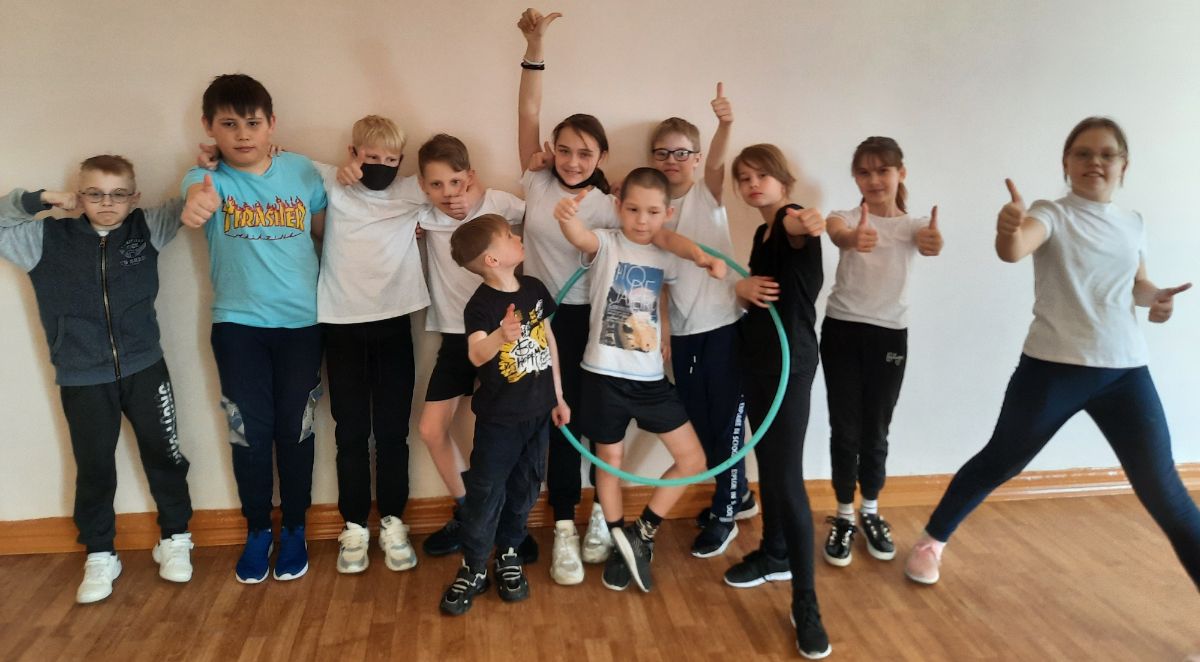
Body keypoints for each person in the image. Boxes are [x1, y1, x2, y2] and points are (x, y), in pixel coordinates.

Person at [904, 117, 1200, 594]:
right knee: (1001, 462)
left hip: (1125, 372)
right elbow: (1014, 249)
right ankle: (932, 541)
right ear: (1066, 163)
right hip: (1052, 369)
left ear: (1124, 164)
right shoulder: (1051, 213)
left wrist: (1156, 298)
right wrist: (1006, 230)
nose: (1094, 162)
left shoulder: (1133, 222)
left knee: (1166, 492)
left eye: (1106, 154)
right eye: (1083, 153)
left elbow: (1137, 284)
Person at [0, 156, 193, 603]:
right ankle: (101, 552)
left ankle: (175, 536)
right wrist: (42, 199)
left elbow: (193, 198)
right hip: (82, 376)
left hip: (145, 368)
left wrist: (209, 164)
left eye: (118, 194)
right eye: (95, 193)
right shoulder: (45, 239)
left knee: (165, 455)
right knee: (94, 467)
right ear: (79, 195)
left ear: (134, 197)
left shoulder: (148, 228)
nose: (107, 203)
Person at [180, 73, 328, 584]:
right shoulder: (205, 179)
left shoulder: (302, 170)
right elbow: (194, 202)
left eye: (252, 123)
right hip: (238, 327)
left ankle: (295, 528)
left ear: (271, 125)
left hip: (303, 325)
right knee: (249, 432)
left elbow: (327, 234)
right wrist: (196, 204)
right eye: (229, 124)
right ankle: (258, 529)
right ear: (209, 127)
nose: (242, 134)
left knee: (296, 428)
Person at [554, 167, 721, 594]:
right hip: (603, 376)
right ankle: (617, 537)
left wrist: (701, 259)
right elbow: (579, 237)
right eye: (632, 210)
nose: (641, 220)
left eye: (652, 212)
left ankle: (641, 533)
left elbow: (666, 273)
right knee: (610, 462)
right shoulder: (607, 243)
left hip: (649, 380)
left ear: (667, 213)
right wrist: (567, 217)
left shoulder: (667, 252)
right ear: (618, 207)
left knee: (693, 459)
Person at [516, 7, 621, 585]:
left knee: (600, 420)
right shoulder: (534, 180)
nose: (573, 161)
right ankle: (561, 524)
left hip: (594, 322)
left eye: (585, 153)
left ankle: (602, 515)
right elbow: (528, 112)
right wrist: (535, 48)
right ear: (551, 150)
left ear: (601, 157)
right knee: (556, 421)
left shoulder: (612, 205)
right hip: (541, 321)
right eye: (564, 150)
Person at [397, 134, 536, 565]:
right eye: (436, 185)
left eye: (456, 182)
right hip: (457, 338)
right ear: (423, 186)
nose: (448, 193)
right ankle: (471, 513)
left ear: (470, 177)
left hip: (505, 335)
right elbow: (378, 198)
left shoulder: (497, 204)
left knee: (507, 437)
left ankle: (511, 525)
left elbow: (539, 211)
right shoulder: (423, 213)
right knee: (430, 429)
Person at [725, 144, 831, 658]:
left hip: (791, 366)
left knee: (787, 479)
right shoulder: (761, 234)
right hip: (758, 361)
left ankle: (806, 603)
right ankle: (774, 553)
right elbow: (756, 293)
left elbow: (801, 226)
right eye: (744, 178)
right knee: (768, 464)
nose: (752, 184)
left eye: (761, 176)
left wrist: (808, 220)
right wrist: (741, 289)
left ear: (784, 183)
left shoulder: (789, 220)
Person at [819, 137, 943, 567]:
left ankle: (870, 511)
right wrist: (853, 238)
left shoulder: (915, 225)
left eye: (883, 170)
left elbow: (930, 241)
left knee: (876, 429)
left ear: (900, 173)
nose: (874, 180)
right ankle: (843, 515)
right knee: (844, 428)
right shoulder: (844, 217)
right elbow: (838, 234)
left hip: (889, 337)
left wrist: (934, 242)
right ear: (855, 178)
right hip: (842, 331)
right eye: (864, 172)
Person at [438, 214, 569, 615]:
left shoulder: (535, 289)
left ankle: (509, 552)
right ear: (492, 260)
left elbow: (548, 341)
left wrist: (558, 396)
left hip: (538, 414)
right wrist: (501, 335)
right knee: (486, 492)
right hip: (499, 421)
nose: (518, 237)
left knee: (526, 488)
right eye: (510, 236)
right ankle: (475, 566)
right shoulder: (480, 306)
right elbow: (476, 354)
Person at [647, 85, 757, 559]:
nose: (672, 161)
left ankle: (725, 514)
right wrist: (664, 332)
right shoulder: (653, 213)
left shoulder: (707, 194)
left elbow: (717, 163)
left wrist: (725, 124)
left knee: (728, 427)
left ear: (694, 158)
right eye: (662, 153)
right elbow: (661, 283)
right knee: (702, 428)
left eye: (681, 153)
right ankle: (741, 496)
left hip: (725, 327)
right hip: (686, 334)